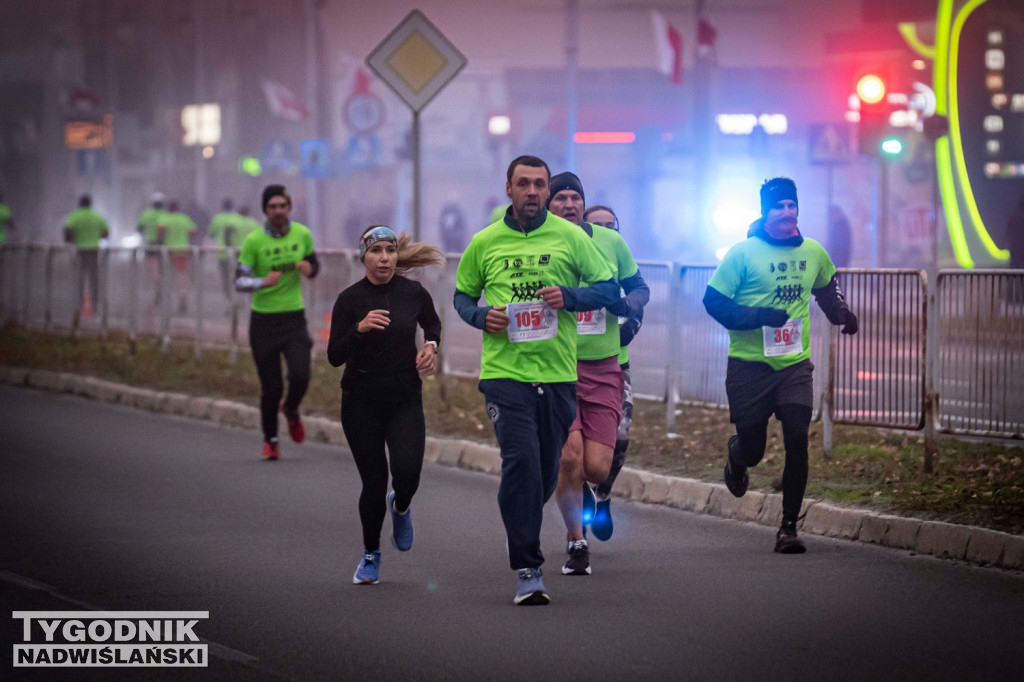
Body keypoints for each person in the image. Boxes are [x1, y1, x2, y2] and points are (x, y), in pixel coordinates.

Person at [453, 155, 619, 605]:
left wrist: (569, 296)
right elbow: (462, 294)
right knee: (522, 464)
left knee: (547, 473)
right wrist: (478, 315)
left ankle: (518, 526)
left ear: (547, 191)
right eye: (523, 183)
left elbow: (608, 289)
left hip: (559, 374)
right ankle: (528, 567)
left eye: (539, 184)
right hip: (506, 374)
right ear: (508, 188)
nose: (531, 191)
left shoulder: (570, 237)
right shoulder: (485, 242)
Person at [702, 177, 859, 553]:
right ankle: (737, 456)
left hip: (793, 366)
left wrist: (840, 312)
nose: (787, 213)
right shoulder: (743, 254)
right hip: (749, 367)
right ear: (764, 212)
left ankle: (788, 527)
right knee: (754, 450)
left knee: (796, 440)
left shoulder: (813, 251)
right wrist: (757, 315)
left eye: (792, 205)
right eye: (779, 207)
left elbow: (826, 286)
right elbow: (713, 302)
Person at [327, 226, 444, 585]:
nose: (384, 258)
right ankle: (370, 554)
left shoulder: (413, 293)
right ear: (363, 257)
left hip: (403, 397)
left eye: (390, 251)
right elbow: (334, 356)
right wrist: (359, 329)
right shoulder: (349, 300)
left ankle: (402, 505)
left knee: (408, 472)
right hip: (360, 400)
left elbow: (433, 324)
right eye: (376, 251)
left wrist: (431, 347)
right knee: (373, 482)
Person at [546, 175, 648, 575]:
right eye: (561, 197)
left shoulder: (610, 243)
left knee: (596, 467)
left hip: (604, 365)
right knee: (569, 457)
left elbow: (639, 286)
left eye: (576, 197)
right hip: (555, 365)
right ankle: (576, 541)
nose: (569, 204)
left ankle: (591, 495)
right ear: (550, 204)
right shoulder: (539, 245)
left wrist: (628, 306)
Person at [235, 185, 320, 460]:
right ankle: (271, 439)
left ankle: (292, 408)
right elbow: (239, 280)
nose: (278, 211)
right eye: (272, 207)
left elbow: (313, 263)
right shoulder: (253, 241)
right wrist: (262, 282)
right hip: (263, 322)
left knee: (301, 374)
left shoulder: (302, 234)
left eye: (282, 206)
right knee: (271, 388)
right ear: (265, 210)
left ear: (289, 208)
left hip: (294, 318)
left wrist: (310, 269)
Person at [581, 203, 645, 541]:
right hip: (570, 366)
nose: (607, 230)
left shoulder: (619, 258)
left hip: (614, 365)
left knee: (619, 439)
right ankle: (579, 493)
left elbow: (639, 296)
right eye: (598, 225)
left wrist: (631, 323)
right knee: (572, 447)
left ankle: (602, 495)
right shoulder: (569, 257)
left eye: (612, 224)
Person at [63, 194, 109, 316]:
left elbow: (67, 230)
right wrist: (96, 236)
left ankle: (78, 304)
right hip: (94, 251)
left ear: (80, 204)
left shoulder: (74, 216)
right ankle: (95, 304)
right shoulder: (97, 217)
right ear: (90, 204)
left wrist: (72, 240)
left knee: (79, 278)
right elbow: (106, 233)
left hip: (80, 251)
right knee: (94, 279)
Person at [157, 200, 198, 314]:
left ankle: (164, 298)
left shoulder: (165, 218)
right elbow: (193, 232)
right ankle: (182, 298)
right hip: (182, 251)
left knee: (167, 275)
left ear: (169, 209)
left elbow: (160, 230)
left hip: (168, 251)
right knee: (181, 276)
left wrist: (163, 239)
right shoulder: (184, 219)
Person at [208, 198, 242, 300]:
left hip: (223, 253)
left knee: (226, 279)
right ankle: (239, 299)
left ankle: (230, 301)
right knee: (238, 278)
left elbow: (211, 234)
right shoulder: (239, 218)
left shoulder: (217, 218)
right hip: (238, 253)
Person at [137, 192, 167, 305]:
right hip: (161, 245)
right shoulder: (165, 215)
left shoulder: (146, 214)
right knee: (159, 269)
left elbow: (139, 228)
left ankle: (157, 286)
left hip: (149, 245)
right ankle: (159, 285)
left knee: (151, 269)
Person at [1007, 195, 1024, 303]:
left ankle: (1011, 298)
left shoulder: (1014, 217)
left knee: (1012, 276)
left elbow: (1008, 234)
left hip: (1014, 250)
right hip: (1022, 251)